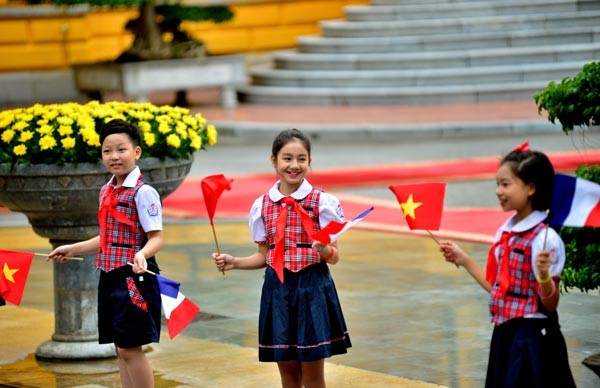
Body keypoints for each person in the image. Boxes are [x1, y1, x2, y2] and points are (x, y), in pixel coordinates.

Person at [213, 128, 351, 388]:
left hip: (313, 289)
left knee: (312, 371)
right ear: (273, 160)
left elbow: (334, 257)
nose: (294, 165)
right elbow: (264, 256)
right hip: (278, 291)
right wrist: (235, 263)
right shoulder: (262, 205)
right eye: (287, 158)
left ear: (310, 161)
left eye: (302, 158)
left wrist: (323, 249)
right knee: (287, 370)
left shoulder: (323, 203)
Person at [439, 142, 576, 388]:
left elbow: (550, 304)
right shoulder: (507, 232)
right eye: (497, 184)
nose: (498, 191)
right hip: (505, 334)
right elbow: (497, 287)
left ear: (531, 188)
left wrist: (544, 276)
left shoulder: (545, 240)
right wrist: (464, 259)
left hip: (532, 338)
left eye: (505, 184)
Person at [47, 119, 163, 388]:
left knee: (132, 347)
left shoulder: (144, 193)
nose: (114, 156)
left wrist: (142, 254)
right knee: (120, 347)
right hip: (110, 275)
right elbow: (107, 238)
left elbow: (156, 237)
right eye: (107, 151)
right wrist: (73, 248)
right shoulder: (106, 190)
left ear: (137, 152)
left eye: (121, 149)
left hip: (135, 277)